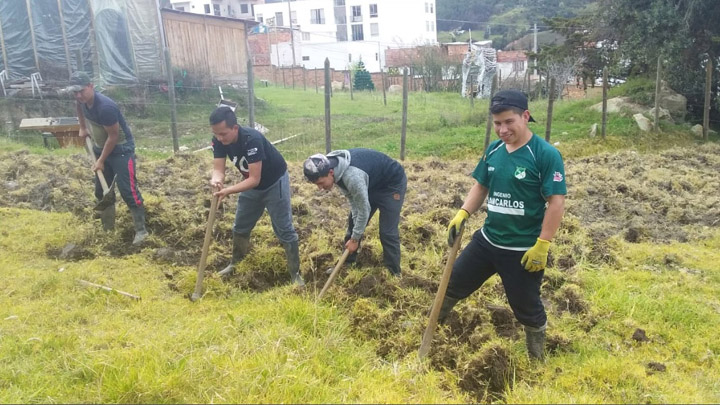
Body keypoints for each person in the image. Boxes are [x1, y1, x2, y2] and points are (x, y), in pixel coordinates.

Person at [441, 90, 566, 360]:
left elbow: (556, 202)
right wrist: (463, 212)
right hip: (487, 241)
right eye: (497, 123)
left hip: (522, 249)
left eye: (509, 122)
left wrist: (543, 244)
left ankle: (537, 358)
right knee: (452, 284)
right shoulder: (495, 149)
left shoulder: (544, 154)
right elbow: (481, 185)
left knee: (527, 308)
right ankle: (432, 327)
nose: (502, 129)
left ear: (525, 116)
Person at [209, 107, 304, 287]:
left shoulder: (251, 139)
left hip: (274, 183)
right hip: (250, 186)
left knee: (284, 229)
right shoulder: (218, 140)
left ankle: (295, 274)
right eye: (216, 134)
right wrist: (216, 180)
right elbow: (218, 169)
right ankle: (235, 263)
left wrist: (228, 191)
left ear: (235, 128)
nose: (220, 138)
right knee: (240, 226)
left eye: (223, 134)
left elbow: (254, 179)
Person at [69, 71, 148, 245]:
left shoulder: (106, 107)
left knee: (128, 190)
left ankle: (141, 230)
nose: (78, 95)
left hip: (120, 150)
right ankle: (108, 228)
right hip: (100, 147)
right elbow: (79, 107)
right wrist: (83, 127)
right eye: (75, 92)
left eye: (81, 91)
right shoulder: (81, 100)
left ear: (91, 86)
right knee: (101, 191)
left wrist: (101, 161)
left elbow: (113, 136)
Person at [303, 148, 407, 277]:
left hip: (391, 185)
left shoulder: (352, 176)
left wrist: (355, 239)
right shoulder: (331, 166)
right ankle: (347, 264)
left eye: (321, 183)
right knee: (353, 221)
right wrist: (354, 236)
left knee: (387, 231)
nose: (320, 188)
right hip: (370, 182)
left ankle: (394, 273)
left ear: (330, 172)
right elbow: (354, 203)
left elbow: (364, 209)